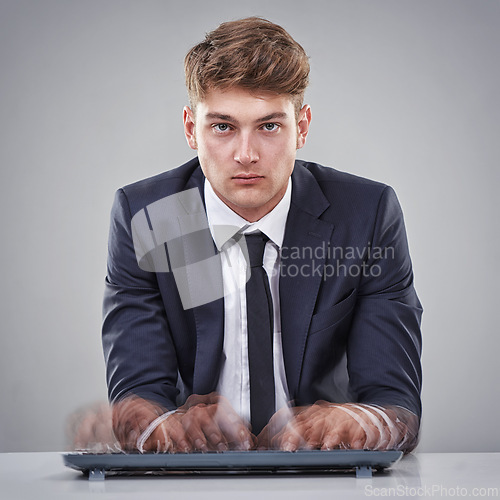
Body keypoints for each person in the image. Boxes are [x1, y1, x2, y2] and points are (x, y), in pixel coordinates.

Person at [102, 17, 422, 454]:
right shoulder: (152, 218)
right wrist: (159, 427)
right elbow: (139, 396)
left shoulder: (365, 216)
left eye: (269, 126)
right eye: (223, 127)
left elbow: (396, 404)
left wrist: (354, 419)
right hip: (190, 479)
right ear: (191, 129)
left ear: (302, 127)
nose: (246, 154)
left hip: (327, 475)